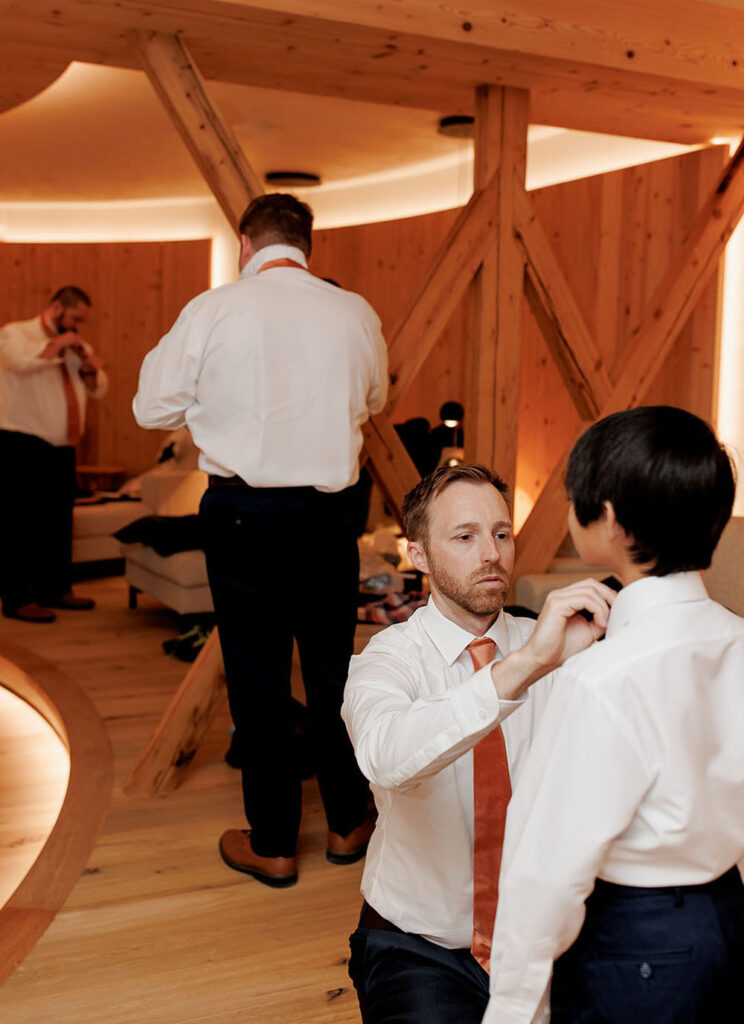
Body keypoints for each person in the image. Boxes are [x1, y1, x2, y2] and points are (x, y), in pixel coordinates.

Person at [133, 193, 389, 888]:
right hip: (331, 514)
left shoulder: (213, 309)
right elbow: (373, 401)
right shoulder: (354, 312)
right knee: (334, 670)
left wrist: (218, 402)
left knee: (258, 676)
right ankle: (347, 821)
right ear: (308, 245)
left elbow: (148, 405)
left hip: (243, 513)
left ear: (245, 243)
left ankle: (274, 843)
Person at [484, 406, 744, 1024]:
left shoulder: (601, 677)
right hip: (727, 920)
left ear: (607, 521)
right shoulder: (739, 642)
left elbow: (547, 868)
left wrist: (513, 1010)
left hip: (635, 941)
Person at [342, 463, 616, 1023]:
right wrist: (524, 667)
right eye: (465, 537)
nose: (491, 553)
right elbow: (385, 756)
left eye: (500, 533)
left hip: (546, 936)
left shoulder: (561, 643)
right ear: (418, 555)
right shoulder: (385, 661)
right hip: (418, 944)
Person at [0, 285, 107, 623]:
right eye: (76, 317)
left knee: (58, 521)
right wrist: (59, 345)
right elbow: (19, 363)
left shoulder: (77, 342)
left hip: (63, 446)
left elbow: (99, 387)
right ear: (57, 308)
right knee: (20, 523)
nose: (79, 325)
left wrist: (89, 368)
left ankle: (56, 589)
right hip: (22, 441)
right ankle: (17, 599)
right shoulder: (17, 334)